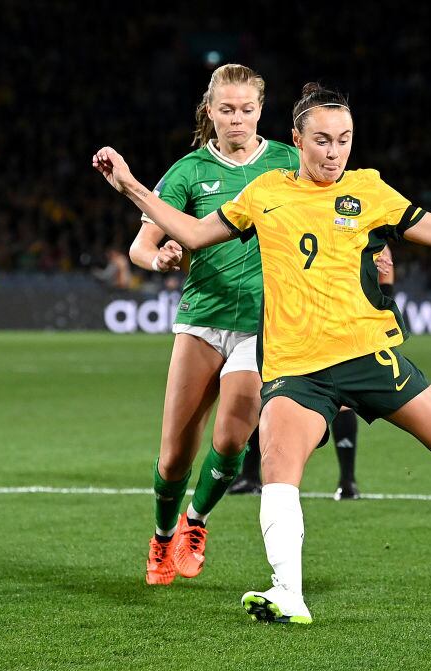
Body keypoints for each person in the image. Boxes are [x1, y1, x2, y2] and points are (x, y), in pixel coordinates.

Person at [93, 83, 431, 624]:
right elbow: (190, 233)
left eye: (344, 140)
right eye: (322, 140)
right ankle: (287, 593)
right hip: (296, 369)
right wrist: (130, 185)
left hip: (367, 354)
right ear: (296, 139)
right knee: (279, 468)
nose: (333, 152)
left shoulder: (369, 190)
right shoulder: (266, 191)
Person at [127, 64, 299, 586]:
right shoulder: (187, 171)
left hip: (260, 326)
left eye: (248, 109)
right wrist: (159, 260)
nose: (238, 119)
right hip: (202, 319)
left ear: (261, 111)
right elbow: (141, 246)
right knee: (176, 452)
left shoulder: (289, 164)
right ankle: (161, 540)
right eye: (227, 109)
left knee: (230, 438)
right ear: (210, 111)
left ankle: (195, 523)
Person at [228, 246, 395, 500]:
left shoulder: (355, 219)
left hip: (339, 318)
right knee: (268, 388)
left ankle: (347, 480)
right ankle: (250, 475)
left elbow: (386, 269)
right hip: (294, 317)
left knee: (338, 397)